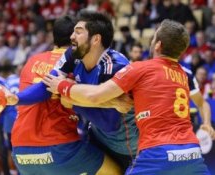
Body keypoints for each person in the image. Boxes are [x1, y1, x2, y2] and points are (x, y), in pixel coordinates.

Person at [44, 19, 211, 174]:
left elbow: (95, 96)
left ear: (158, 45)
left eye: (153, 38)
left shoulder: (141, 68)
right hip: (192, 152)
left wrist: (61, 85)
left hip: (157, 153)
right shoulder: (184, 75)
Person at [8, 15, 122, 175]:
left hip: (20, 151)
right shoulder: (78, 61)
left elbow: (43, 88)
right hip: (59, 149)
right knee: (116, 171)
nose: (73, 37)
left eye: (78, 32)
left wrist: (16, 99)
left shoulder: (32, 61)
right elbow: (106, 120)